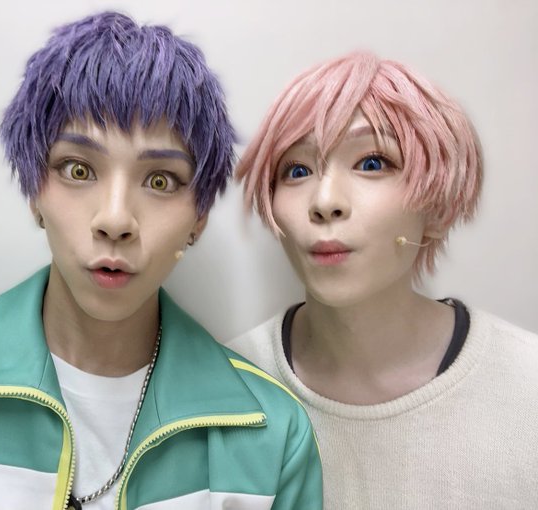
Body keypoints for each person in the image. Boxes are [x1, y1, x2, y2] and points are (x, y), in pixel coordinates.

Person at [0, 12, 322, 510]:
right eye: (78, 170)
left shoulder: (272, 438)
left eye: (160, 180)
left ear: (199, 218)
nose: (115, 219)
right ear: (34, 192)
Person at [226, 51, 538, 509]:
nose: (325, 201)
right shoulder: (223, 389)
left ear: (438, 208)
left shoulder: (526, 388)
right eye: (297, 170)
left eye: (372, 163)